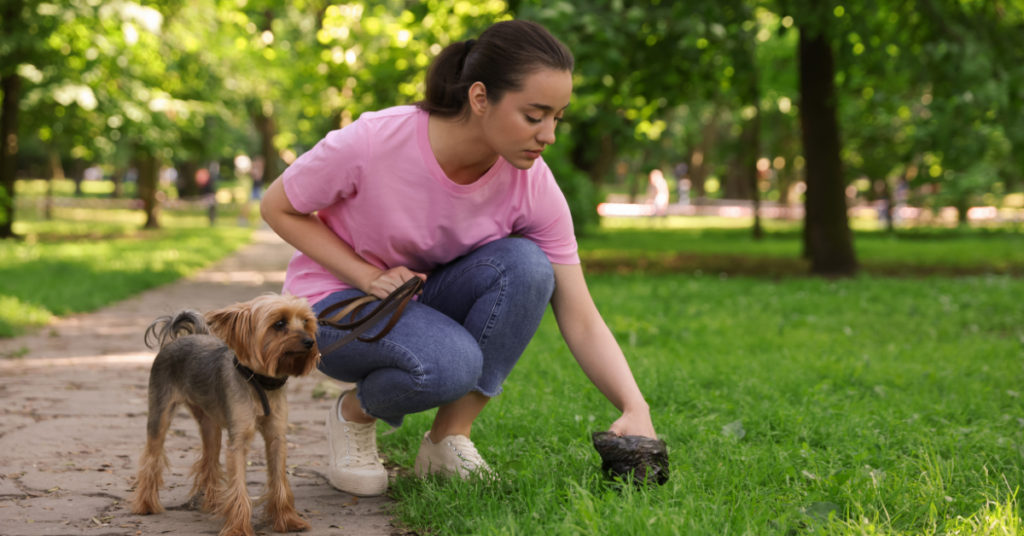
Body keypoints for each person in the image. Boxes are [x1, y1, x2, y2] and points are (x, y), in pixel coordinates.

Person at [260, 20, 656, 497]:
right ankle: (354, 415)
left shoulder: (532, 184)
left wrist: (636, 407)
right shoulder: (375, 140)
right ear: (480, 98)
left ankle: (448, 437)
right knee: (450, 364)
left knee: (529, 266)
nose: (548, 134)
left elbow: (581, 313)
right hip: (332, 309)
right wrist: (367, 275)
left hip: (417, 303)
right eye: (534, 116)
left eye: (558, 117)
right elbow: (277, 205)